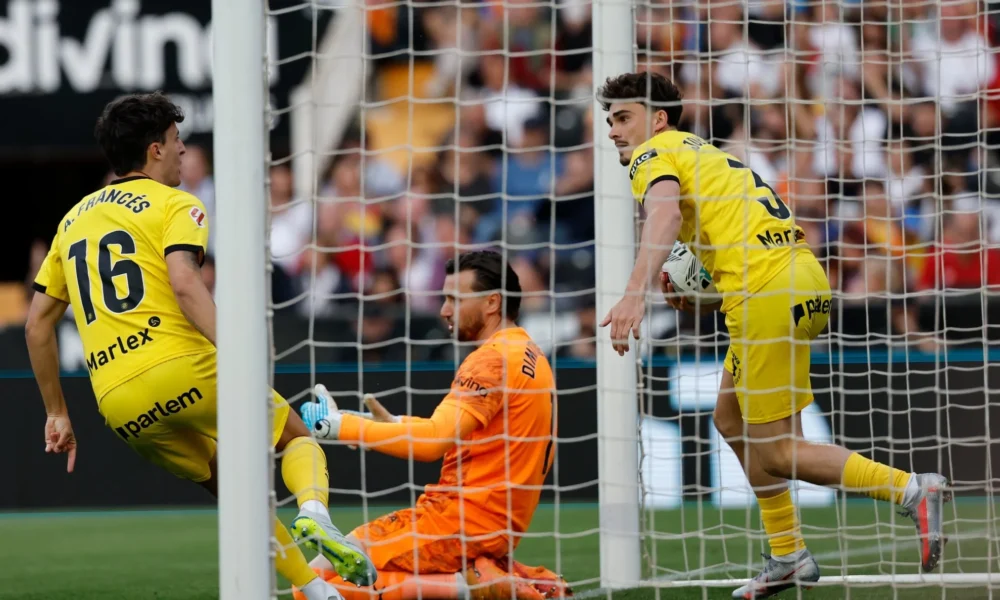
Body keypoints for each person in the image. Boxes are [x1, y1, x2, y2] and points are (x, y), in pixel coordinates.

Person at [596, 72, 949, 599]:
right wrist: (701, 293)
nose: (614, 132)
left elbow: (664, 214)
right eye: (610, 121)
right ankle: (787, 554)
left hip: (765, 295)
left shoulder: (654, 155)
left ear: (658, 118)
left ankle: (910, 490)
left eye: (623, 118)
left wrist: (633, 293)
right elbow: (737, 240)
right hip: (798, 279)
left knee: (780, 451)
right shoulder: (708, 155)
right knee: (729, 416)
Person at [24, 92, 372, 600]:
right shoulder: (177, 204)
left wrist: (57, 411)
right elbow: (185, 283)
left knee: (232, 492)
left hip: (118, 402)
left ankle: (319, 593)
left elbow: (37, 326)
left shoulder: (71, 221)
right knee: (296, 438)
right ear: (154, 150)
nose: (183, 150)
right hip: (185, 366)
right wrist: (239, 357)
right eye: (176, 140)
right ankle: (315, 514)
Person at [299, 250, 570, 600]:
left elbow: (432, 442)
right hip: (487, 524)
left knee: (309, 586)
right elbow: (455, 432)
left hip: (456, 523)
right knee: (324, 573)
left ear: (491, 302)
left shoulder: (490, 360)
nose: (444, 310)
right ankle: (495, 579)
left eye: (454, 299)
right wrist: (381, 423)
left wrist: (337, 428)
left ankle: (476, 588)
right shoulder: (528, 352)